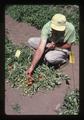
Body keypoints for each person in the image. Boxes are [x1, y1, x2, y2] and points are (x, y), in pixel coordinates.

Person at [26, 13, 76, 83]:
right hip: (50, 43)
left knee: (49, 57)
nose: (57, 31)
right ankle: (46, 52)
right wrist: (32, 67)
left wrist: (55, 46)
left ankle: (63, 60)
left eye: (59, 29)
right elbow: (40, 48)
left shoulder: (70, 28)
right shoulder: (47, 27)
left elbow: (68, 45)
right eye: (55, 29)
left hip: (62, 47)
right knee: (31, 41)